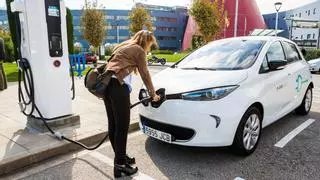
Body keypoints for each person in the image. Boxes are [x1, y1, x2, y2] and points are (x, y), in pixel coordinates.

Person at [104, 30, 161, 178]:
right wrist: (153, 94)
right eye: (150, 44)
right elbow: (145, 73)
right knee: (122, 128)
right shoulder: (139, 50)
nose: (149, 48)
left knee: (114, 125)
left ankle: (121, 158)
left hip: (107, 86)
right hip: (117, 87)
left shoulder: (125, 45)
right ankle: (120, 166)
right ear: (146, 42)